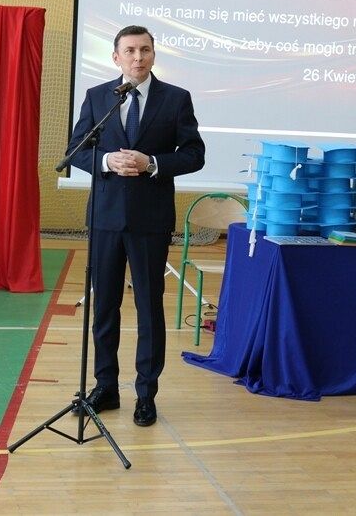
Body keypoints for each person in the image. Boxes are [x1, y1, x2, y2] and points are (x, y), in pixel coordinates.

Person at [66, 25, 205, 427]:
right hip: (105, 218)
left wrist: (153, 163)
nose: (138, 57)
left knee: (148, 308)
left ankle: (146, 394)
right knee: (105, 307)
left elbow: (194, 154)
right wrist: (107, 161)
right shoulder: (98, 97)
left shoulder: (176, 99)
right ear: (116, 57)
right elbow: (76, 151)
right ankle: (106, 388)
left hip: (150, 220)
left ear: (153, 55)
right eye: (129, 50)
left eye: (145, 50)